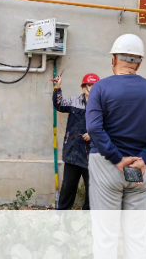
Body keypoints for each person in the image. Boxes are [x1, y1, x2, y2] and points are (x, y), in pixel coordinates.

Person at [86, 33, 146, 259]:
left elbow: (94, 129)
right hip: (139, 169)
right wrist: (145, 158)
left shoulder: (100, 89)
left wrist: (116, 158)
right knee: (136, 233)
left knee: (106, 234)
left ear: (114, 59)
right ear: (139, 62)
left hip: (107, 166)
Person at [52, 73, 100, 210]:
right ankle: (61, 216)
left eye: (94, 85)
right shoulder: (74, 101)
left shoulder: (102, 106)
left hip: (92, 155)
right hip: (73, 152)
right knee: (68, 187)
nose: (90, 88)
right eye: (88, 85)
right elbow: (59, 105)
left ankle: (87, 219)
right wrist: (58, 87)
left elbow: (108, 126)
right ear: (83, 87)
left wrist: (94, 134)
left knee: (93, 189)